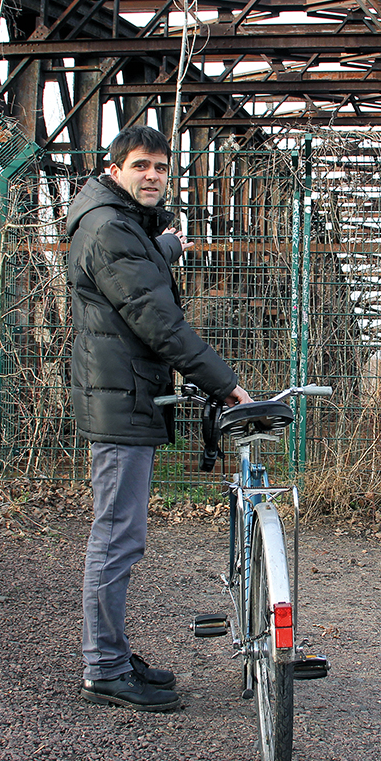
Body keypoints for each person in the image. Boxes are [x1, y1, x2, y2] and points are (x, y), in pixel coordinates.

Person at [65, 125, 252, 712]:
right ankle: (104, 668)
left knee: (121, 534)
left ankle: (112, 655)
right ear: (114, 170)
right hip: (120, 400)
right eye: (140, 165)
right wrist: (226, 385)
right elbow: (156, 319)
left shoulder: (113, 223)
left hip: (124, 393)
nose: (152, 176)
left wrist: (165, 248)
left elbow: (132, 272)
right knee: (117, 536)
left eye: (161, 168)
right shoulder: (109, 228)